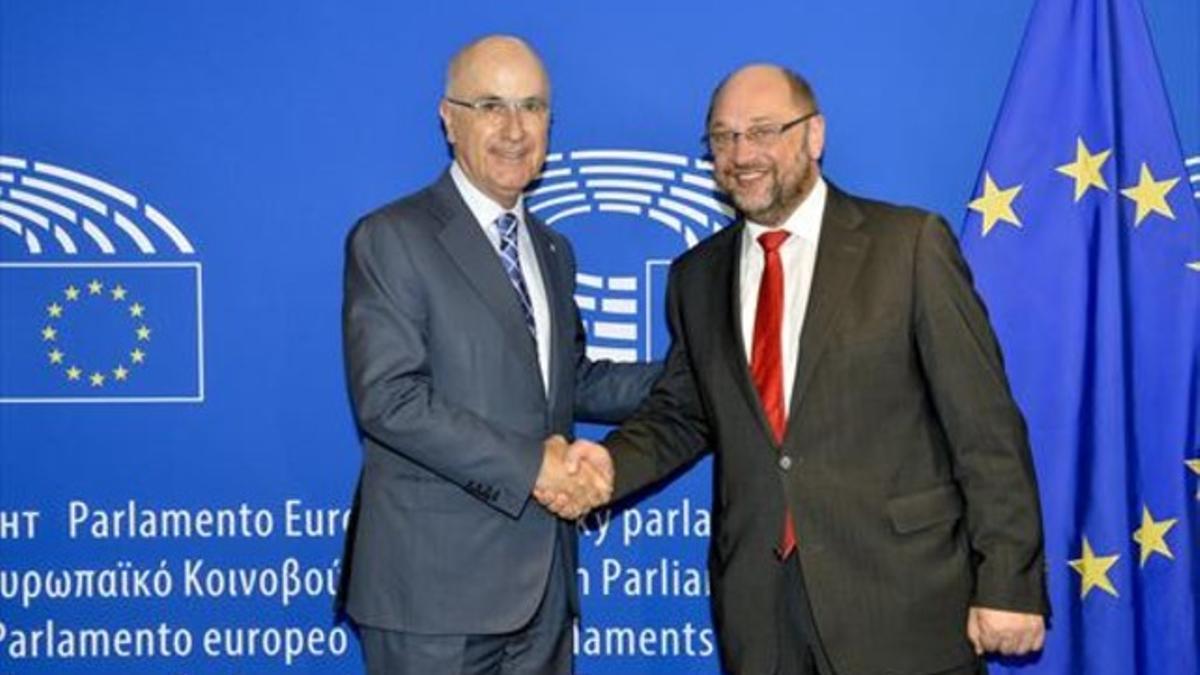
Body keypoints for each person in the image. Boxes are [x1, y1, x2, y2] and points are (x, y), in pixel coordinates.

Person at [554, 64, 1049, 675]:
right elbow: (684, 412)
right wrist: (609, 465)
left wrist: (1008, 582)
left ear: (814, 136)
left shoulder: (908, 246)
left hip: (901, 603)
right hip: (761, 614)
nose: (741, 154)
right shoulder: (696, 277)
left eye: (763, 131)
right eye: (722, 136)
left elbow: (985, 428)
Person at [339, 35, 659, 675]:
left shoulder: (551, 249)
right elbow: (390, 401)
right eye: (491, 105)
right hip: (432, 598)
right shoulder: (392, 238)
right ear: (448, 118)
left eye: (533, 107)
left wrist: (708, 372)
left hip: (543, 592)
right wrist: (532, 469)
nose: (515, 129)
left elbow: (572, 382)